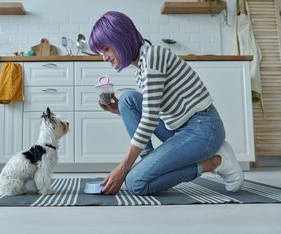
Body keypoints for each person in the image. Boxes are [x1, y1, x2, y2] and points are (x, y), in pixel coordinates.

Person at [88, 11, 244, 196]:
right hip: (182, 128)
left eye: (105, 49)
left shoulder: (153, 57)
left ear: (120, 39)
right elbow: (151, 110)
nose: (104, 57)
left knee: (135, 183)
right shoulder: (141, 67)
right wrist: (118, 110)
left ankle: (215, 161)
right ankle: (149, 163)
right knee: (127, 100)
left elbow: (149, 119)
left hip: (204, 129)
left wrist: (123, 168)